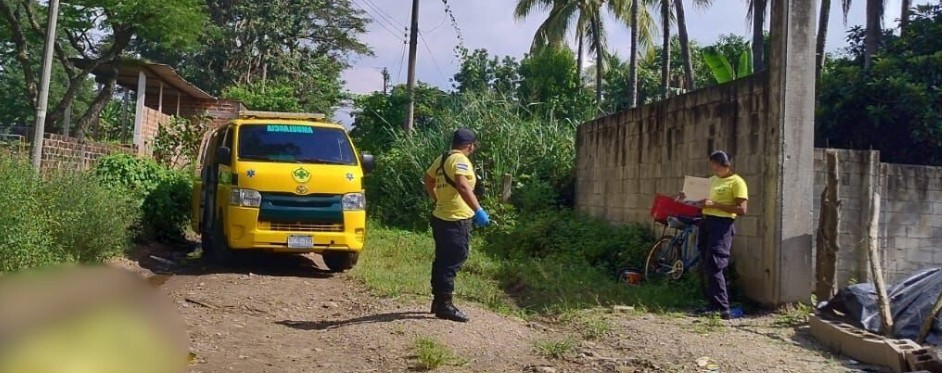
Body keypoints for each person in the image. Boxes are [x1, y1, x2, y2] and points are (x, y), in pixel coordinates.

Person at [422, 128, 491, 322]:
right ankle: (445, 305)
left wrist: (437, 199)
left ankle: (438, 300)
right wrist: (478, 210)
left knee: (443, 259)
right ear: (470, 146)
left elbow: (428, 179)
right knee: (453, 258)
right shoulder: (460, 160)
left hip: (441, 216)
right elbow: (462, 185)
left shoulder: (443, 158)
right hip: (455, 219)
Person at [688, 151, 748, 320]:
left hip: (722, 225)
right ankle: (712, 304)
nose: (714, 168)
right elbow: (704, 201)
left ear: (725, 165)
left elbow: (742, 210)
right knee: (707, 262)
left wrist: (715, 204)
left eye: (716, 165)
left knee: (715, 263)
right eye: (712, 165)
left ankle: (722, 307)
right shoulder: (712, 180)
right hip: (706, 222)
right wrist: (692, 199)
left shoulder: (737, 182)